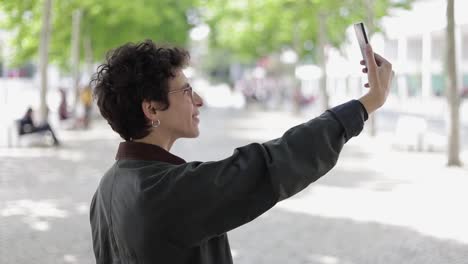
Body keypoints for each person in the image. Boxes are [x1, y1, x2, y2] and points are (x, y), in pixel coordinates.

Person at [89, 40, 393, 264]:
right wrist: (366, 104)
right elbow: (273, 163)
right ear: (152, 107)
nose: (199, 99)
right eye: (186, 90)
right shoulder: (166, 191)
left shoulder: (106, 189)